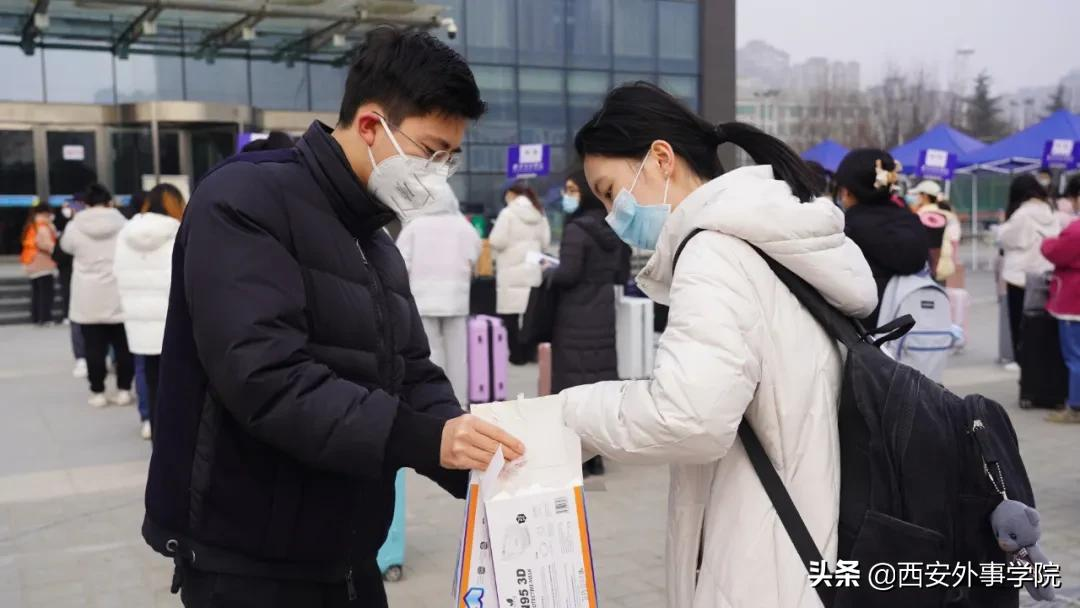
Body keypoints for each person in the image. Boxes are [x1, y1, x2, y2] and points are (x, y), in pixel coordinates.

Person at [142, 28, 523, 608]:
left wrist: (477, 458)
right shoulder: (246, 200)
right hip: (249, 563)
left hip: (346, 554)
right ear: (371, 126)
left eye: (451, 158)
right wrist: (425, 439)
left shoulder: (375, 238)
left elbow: (412, 371)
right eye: (429, 152)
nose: (438, 173)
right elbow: (265, 377)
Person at [551, 82, 876, 607]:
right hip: (807, 540)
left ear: (660, 158)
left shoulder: (715, 255)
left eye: (611, 191)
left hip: (758, 564)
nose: (613, 216)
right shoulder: (770, 241)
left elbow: (688, 416)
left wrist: (565, 413)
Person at [548, 171, 628, 477]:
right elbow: (621, 275)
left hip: (574, 319)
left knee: (572, 389)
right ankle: (596, 456)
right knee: (599, 389)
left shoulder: (576, 230)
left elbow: (567, 274)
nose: (568, 196)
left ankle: (575, 455)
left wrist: (547, 273)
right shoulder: (614, 229)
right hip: (603, 317)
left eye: (571, 190)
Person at [395, 180, 481, 406]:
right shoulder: (463, 226)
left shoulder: (414, 226)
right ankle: (460, 403)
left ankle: (436, 401)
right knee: (459, 355)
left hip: (423, 298)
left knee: (430, 352)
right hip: (456, 297)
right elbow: (475, 254)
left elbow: (401, 261)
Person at [114, 184, 185, 441]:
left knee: (147, 373)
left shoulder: (126, 232)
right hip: (172, 318)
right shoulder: (179, 232)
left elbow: (118, 271)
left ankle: (151, 424)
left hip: (137, 316)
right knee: (178, 381)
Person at [834, 149, 929, 326]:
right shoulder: (912, 221)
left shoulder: (848, 229)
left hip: (866, 336)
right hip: (913, 331)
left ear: (846, 191)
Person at [60, 183, 133, 408]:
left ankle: (98, 391)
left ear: (86, 203)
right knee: (123, 347)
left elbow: (66, 247)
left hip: (88, 296)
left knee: (94, 348)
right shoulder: (123, 224)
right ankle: (124, 390)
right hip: (118, 293)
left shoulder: (75, 225)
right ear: (109, 201)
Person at [489, 180, 551, 364]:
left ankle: (516, 356)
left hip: (511, 271)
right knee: (530, 317)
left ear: (512, 194)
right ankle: (529, 353)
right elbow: (546, 243)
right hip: (532, 271)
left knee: (510, 317)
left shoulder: (507, 214)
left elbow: (497, 240)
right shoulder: (540, 213)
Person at [999, 174, 1060, 360]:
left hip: (1019, 277)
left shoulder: (1021, 214)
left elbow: (1005, 240)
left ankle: (1022, 361)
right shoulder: (1051, 212)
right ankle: (1039, 362)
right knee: (1039, 324)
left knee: (1019, 325)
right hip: (1043, 275)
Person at [1042, 220, 1080, 423]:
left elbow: (1057, 252)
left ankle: (1075, 407)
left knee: (1075, 357)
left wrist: (1046, 242)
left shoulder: (1076, 229)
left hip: (1074, 302)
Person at [54, 196, 87, 377]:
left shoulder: (72, 227)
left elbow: (60, 252)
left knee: (79, 321)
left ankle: (82, 358)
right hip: (93, 282)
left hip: (77, 279)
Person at [909, 180, 962, 283]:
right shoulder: (949, 216)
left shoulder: (917, 216)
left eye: (918, 195)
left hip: (922, 269)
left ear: (925, 196)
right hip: (943, 267)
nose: (916, 198)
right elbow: (954, 239)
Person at [21, 202, 58, 326]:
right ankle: (45, 318)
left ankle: (36, 317)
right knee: (46, 292)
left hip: (30, 261)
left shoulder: (32, 224)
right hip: (42, 262)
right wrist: (56, 250)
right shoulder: (43, 226)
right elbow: (45, 244)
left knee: (36, 292)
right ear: (45, 212)